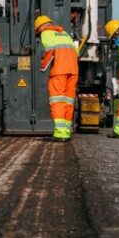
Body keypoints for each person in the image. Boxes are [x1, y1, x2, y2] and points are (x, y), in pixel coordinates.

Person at [35, 14, 79, 142]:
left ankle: (59, 133)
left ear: (41, 27)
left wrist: (43, 66)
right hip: (73, 71)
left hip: (59, 71)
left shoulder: (46, 33)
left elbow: (49, 50)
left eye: (37, 31)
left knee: (57, 101)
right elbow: (76, 53)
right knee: (68, 102)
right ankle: (66, 132)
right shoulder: (64, 33)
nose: (38, 34)